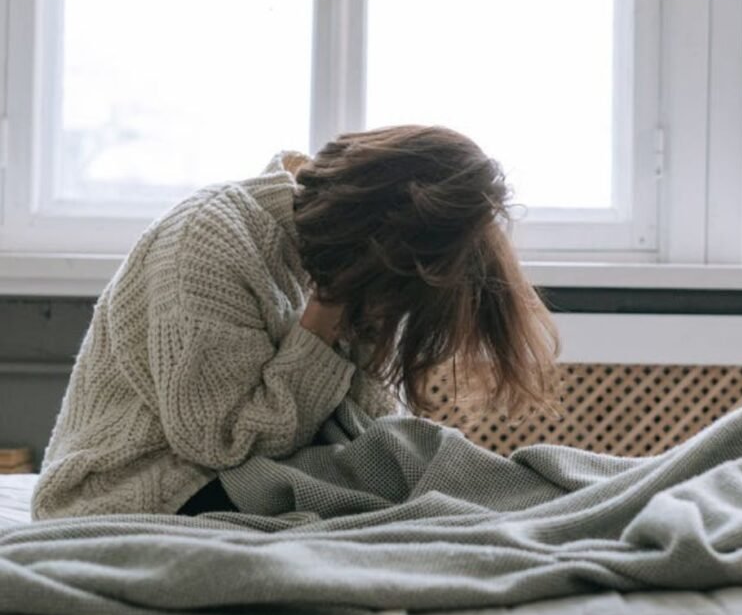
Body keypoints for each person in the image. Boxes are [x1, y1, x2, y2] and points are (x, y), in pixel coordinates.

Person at [31, 124, 560, 519]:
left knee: (406, 458)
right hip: (131, 490)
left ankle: (561, 500)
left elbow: (365, 428)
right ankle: (554, 506)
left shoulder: (344, 262)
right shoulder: (210, 238)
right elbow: (221, 442)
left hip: (229, 479)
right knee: (409, 461)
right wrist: (322, 318)